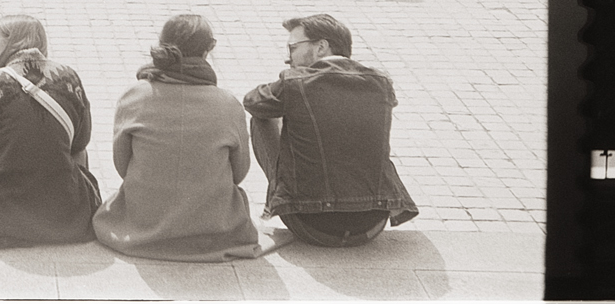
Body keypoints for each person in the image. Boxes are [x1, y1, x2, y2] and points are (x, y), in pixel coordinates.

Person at [93, 14, 262, 261]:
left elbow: (122, 166)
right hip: (214, 228)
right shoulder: (228, 104)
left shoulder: (135, 96)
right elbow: (240, 172)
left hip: (142, 224)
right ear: (208, 49)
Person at [244, 15, 418, 247]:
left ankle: (280, 196)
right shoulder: (381, 82)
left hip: (310, 224)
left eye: (293, 48)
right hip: (371, 225)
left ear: (321, 47)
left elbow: (252, 101)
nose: (288, 58)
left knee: (262, 117)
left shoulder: (294, 82)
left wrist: (291, 91)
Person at [0, 14, 99, 248]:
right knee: (79, 152)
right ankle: (71, 211)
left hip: (2, 222)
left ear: (13, 43)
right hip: (64, 219)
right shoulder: (68, 76)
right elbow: (81, 141)